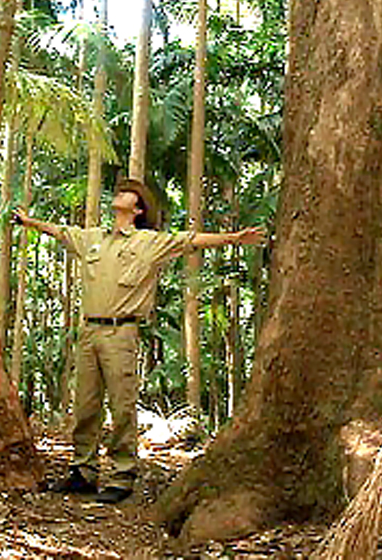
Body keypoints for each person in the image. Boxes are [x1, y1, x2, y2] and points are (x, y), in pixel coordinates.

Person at [14, 177, 266, 504]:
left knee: (121, 406)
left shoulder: (149, 242)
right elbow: (59, 231)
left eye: (125, 193)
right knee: (85, 406)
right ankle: (83, 472)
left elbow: (190, 240)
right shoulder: (92, 238)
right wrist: (28, 221)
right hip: (89, 331)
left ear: (137, 208)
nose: (118, 195)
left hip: (121, 333)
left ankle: (122, 475)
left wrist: (233, 238)